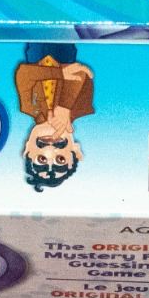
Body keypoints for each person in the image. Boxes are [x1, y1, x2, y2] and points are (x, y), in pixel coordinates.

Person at [13, 43, 93, 190]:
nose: (50, 148)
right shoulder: (82, 108)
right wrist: (64, 107)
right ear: (76, 151)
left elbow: (23, 73)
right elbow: (80, 72)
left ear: (27, 149)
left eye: (41, 159)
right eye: (60, 159)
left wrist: (60, 74)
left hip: (36, 50)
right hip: (64, 49)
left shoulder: (29, 108)